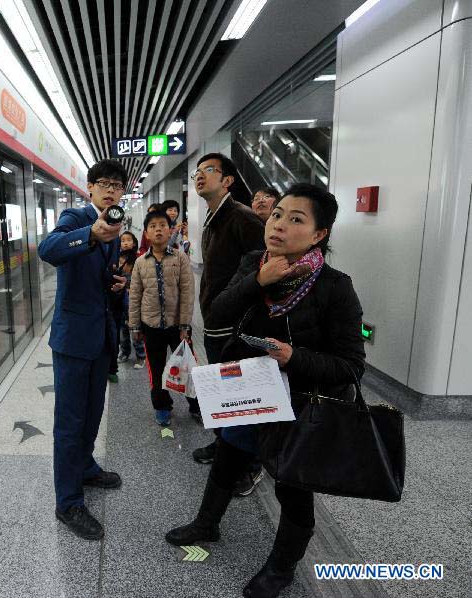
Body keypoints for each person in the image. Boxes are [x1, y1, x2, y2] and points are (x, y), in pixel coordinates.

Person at [165, 183, 364, 598]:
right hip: (250, 392)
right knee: (228, 455)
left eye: (296, 219)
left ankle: (281, 568)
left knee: (293, 487)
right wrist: (257, 280)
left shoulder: (334, 287)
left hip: (300, 407)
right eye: (278, 215)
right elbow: (218, 311)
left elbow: (350, 366)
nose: (279, 225)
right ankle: (207, 523)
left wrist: (295, 358)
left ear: (318, 234)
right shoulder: (255, 262)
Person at [38, 159, 127, 540]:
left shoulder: (115, 225)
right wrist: (90, 234)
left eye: (117, 185)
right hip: (74, 339)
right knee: (70, 422)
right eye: (103, 183)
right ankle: (68, 502)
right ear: (90, 188)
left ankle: (86, 467)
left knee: (93, 414)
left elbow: (96, 278)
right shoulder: (75, 218)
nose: (110, 190)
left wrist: (115, 283)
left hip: (100, 336)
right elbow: (49, 249)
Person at [190, 153, 264, 476]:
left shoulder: (243, 219)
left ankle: (248, 464)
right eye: (197, 172)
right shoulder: (212, 220)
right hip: (215, 324)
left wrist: (233, 307)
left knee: (241, 398)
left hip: (235, 327)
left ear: (227, 180)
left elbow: (259, 273)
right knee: (223, 393)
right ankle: (224, 445)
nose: (200, 176)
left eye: (208, 170)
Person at [129, 211, 194, 426]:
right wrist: (135, 326)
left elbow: (187, 292)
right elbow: (135, 294)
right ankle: (162, 406)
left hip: (177, 326)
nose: (158, 229)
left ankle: (196, 406)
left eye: (162, 225)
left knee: (186, 368)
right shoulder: (140, 262)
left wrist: (185, 324)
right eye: (153, 226)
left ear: (170, 230)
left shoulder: (180, 257)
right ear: (146, 233)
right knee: (156, 370)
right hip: (151, 326)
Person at [115, 231, 146, 368]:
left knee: (134, 326)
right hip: (119, 298)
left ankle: (140, 356)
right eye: (123, 240)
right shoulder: (116, 258)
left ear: (134, 243)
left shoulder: (139, 259)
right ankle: (125, 352)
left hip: (133, 298)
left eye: (129, 240)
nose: (126, 242)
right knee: (122, 327)